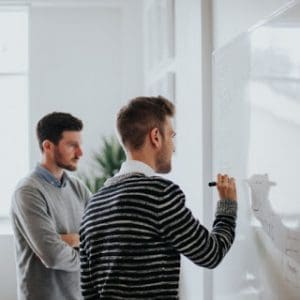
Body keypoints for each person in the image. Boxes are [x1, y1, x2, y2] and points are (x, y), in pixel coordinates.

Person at [80, 96, 237, 299]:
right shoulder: (159, 194)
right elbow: (211, 253)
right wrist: (227, 204)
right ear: (155, 136)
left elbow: (88, 294)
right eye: (171, 136)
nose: (174, 147)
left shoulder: (93, 205)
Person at [11, 112, 91, 300]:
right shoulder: (28, 191)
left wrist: (69, 239)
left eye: (80, 144)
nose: (80, 153)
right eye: (72, 145)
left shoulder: (78, 187)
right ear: (48, 146)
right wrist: (89, 258)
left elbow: (102, 236)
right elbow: (53, 255)